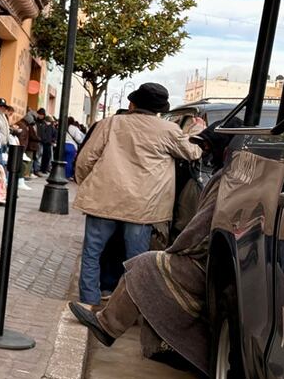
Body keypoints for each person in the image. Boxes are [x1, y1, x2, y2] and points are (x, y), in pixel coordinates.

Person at [69, 131, 275, 378]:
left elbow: (198, 230)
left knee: (144, 265)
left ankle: (108, 325)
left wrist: (172, 254)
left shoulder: (228, 180)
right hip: (208, 256)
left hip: (207, 262)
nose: (204, 153)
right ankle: (112, 325)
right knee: (140, 264)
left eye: (208, 147)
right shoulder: (234, 176)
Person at [73, 82, 203, 306]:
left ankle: (88, 301)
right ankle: (128, 307)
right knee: (135, 260)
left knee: (93, 252)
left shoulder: (111, 123)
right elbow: (193, 152)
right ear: (160, 109)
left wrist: (88, 185)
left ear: (132, 104)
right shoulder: (169, 130)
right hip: (143, 206)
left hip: (104, 199)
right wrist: (197, 130)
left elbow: (86, 160)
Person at [36, 108, 56, 175]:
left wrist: (52, 140)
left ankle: (44, 168)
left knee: (47, 156)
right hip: (43, 142)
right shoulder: (42, 124)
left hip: (48, 143)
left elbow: (53, 134)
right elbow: (42, 134)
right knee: (41, 156)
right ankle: (42, 169)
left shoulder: (49, 126)